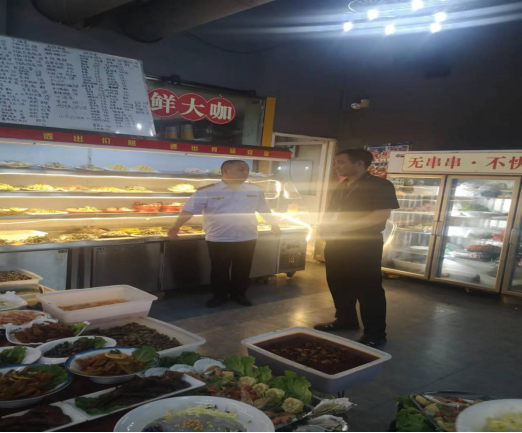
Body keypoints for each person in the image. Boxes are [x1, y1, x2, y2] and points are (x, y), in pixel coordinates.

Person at [315, 149, 399, 348]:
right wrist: (324, 226)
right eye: (336, 162)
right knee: (338, 282)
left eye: (341, 162)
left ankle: (375, 333)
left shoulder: (380, 185)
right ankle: (346, 319)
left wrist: (343, 227)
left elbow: (380, 215)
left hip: (364, 243)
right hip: (337, 242)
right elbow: (332, 211)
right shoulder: (343, 185)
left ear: (359, 163)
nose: (336, 166)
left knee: (368, 289)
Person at [168, 160, 281, 308]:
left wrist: (273, 223)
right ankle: (219, 295)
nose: (246, 173)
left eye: (247, 170)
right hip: (219, 236)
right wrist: (176, 226)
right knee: (219, 268)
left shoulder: (255, 190)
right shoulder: (208, 191)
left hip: (247, 236)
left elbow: (264, 209)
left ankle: (239, 294)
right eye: (241, 170)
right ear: (226, 172)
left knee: (243, 267)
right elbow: (189, 210)